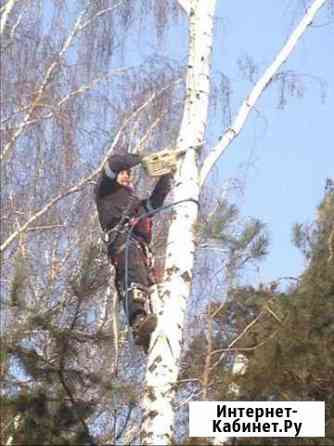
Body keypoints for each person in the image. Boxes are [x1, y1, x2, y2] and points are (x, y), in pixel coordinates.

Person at [95, 152, 172, 352]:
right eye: (123, 173)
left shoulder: (132, 200)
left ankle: (152, 334)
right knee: (133, 275)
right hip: (122, 239)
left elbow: (153, 204)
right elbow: (113, 164)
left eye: (129, 173)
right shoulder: (105, 190)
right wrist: (143, 158)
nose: (126, 175)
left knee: (154, 288)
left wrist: (166, 176)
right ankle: (138, 322)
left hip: (140, 246)